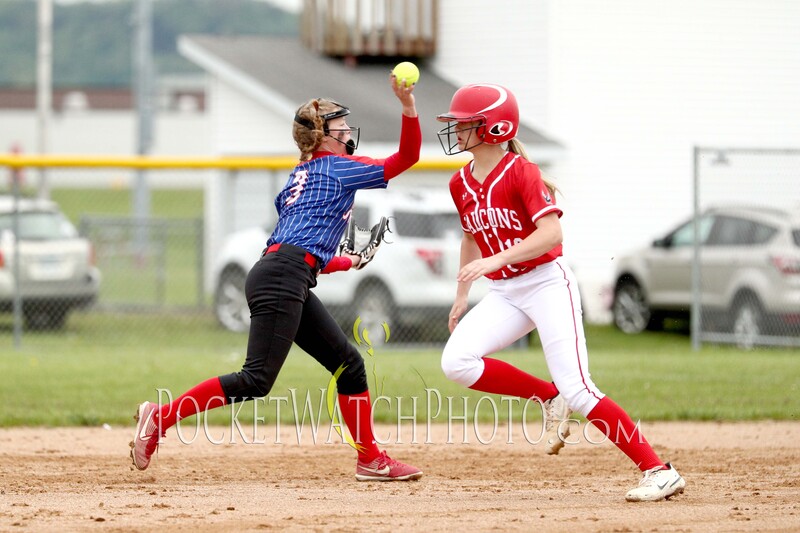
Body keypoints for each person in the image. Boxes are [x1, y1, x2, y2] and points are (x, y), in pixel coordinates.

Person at [130, 73, 423, 482]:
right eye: (338, 125)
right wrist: (408, 107)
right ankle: (159, 418)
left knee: (349, 365)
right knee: (256, 379)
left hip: (283, 272)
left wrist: (347, 263)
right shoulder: (337, 167)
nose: (346, 130)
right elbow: (406, 159)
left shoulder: (298, 177)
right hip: (283, 275)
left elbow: (300, 252)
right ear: (322, 136)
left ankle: (370, 458)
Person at [435, 83, 685, 502]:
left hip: (547, 283)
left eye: (465, 123)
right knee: (456, 362)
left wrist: (494, 262)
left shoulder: (521, 173)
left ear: (494, 127)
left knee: (580, 388)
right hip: (504, 292)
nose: (456, 130)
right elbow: (470, 239)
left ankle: (658, 471)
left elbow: (551, 232)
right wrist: (462, 294)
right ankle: (546, 396)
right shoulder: (460, 182)